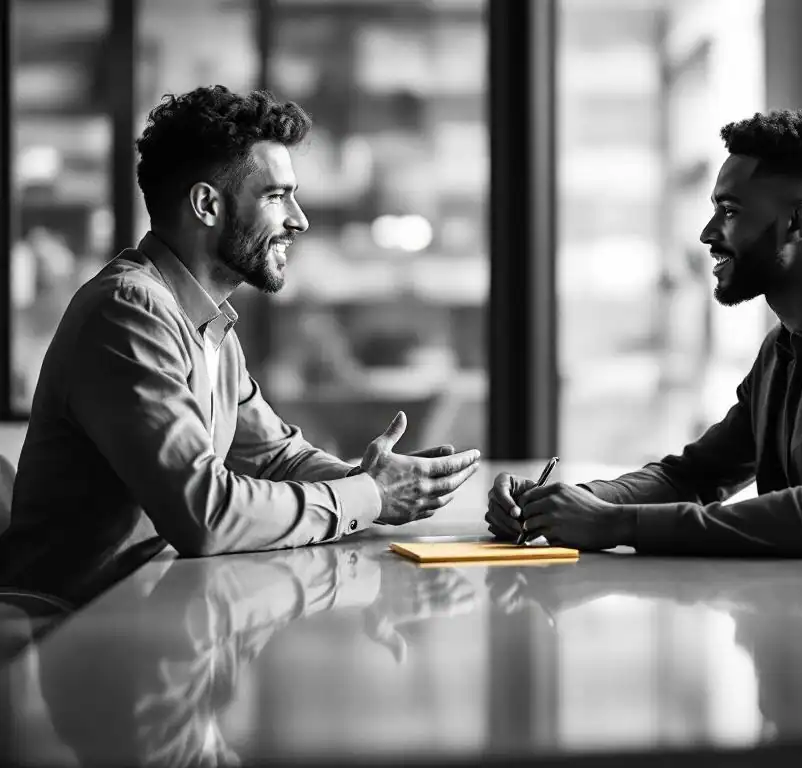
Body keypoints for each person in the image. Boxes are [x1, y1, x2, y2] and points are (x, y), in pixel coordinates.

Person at [0, 85, 480, 606]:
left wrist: (377, 482)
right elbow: (205, 515)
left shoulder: (208, 322)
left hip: (146, 610)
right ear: (207, 204)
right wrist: (368, 495)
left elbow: (275, 458)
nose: (299, 219)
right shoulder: (129, 312)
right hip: (67, 636)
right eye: (276, 196)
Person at [487, 108, 802, 579]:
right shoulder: (783, 348)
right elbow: (693, 477)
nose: (707, 233)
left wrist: (615, 524)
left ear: (798, 223)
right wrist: (564, 504)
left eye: (730, 211)